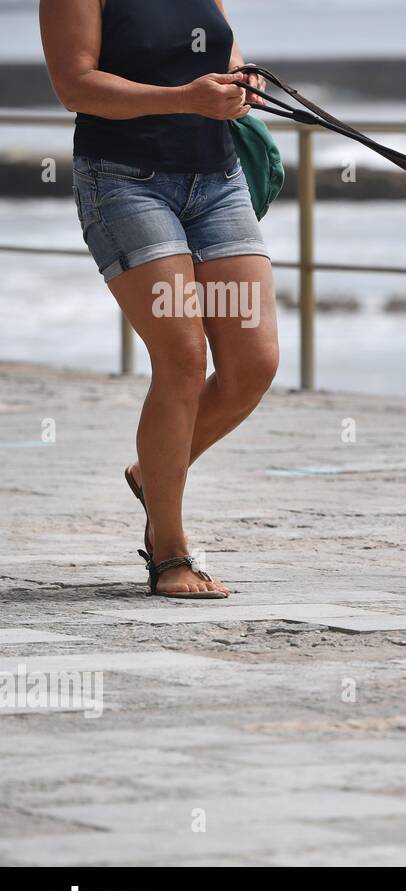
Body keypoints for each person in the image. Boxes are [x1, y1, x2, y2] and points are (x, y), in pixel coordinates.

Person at [41, 0, 278, 598]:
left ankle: (154, 472)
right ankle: (169, 552)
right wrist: (183, 99)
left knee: (254, 363)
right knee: (182, 356)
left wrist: (243, 83)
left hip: (218, 181)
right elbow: (76, 85)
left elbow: (222, 54)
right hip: (124, 181)